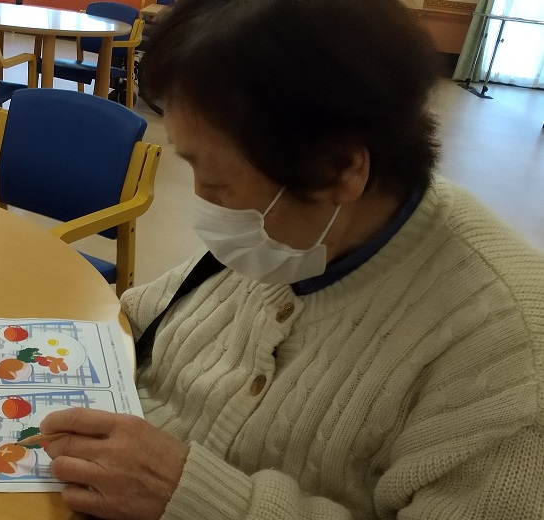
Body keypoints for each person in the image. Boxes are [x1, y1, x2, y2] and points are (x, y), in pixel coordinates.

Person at [38, 0, 544, 518]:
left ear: (341, 168)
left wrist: (194, 497)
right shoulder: (288, 236)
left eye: (217, 181)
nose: (203, 202)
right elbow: (143, 315)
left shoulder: (509, 358)